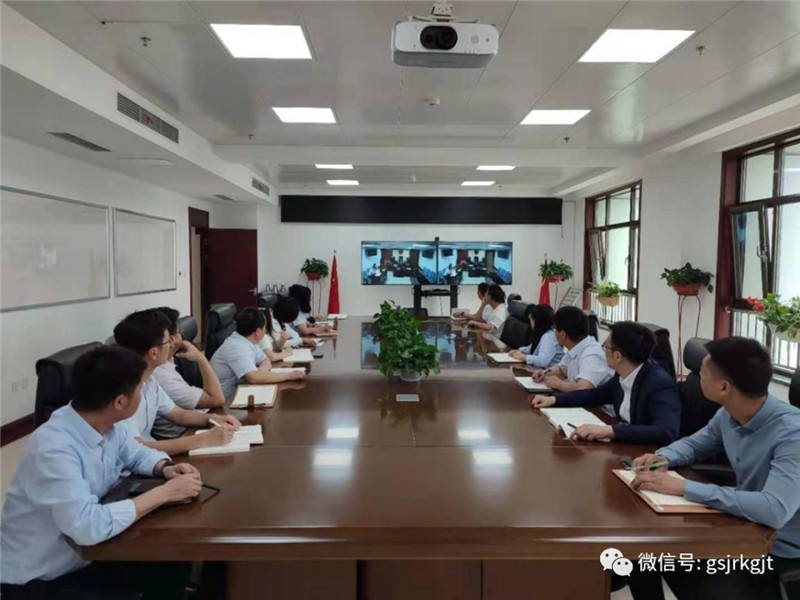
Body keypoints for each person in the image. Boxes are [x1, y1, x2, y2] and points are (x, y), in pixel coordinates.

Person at [0, 345, 202, 599]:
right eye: (140, 388)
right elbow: (87, 525)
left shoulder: (105, 422)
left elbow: (137, 453)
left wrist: (166, 467)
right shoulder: (53, 447)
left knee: (172, 563)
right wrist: (164, 494)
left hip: (88, 554)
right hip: (42, 577)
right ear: (120, 402)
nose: (143, 393)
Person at [628, 337, 800, 600]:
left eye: (702, 373)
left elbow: (774, 509)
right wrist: (663, 457)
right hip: (747, 532)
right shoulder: (729, 414)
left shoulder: (792, 434)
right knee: (640, 555)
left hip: (780, 554)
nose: (695, 378)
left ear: (724, 387)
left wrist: (685, 488)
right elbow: (696, 444)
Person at [114, 309, 241, 455]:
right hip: (137, 465)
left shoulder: (150, 381)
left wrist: (212, 419)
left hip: (154, 460)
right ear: (153, 353)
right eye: (168, 341)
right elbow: (136, 449)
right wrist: (204, 439)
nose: (173, 344)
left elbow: (179, 415)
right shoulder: (121, 395)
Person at [531, 321, 680, 445]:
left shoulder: (659, 384)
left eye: (605, 347)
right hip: (625, 446)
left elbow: (666, 432)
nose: (603, 351)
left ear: (618, 356)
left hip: (647, 455)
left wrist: (610, 431)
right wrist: (554, 399)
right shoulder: (621, 375)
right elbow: (594, 395)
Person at [150, 307, 226, 439]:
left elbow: (180, 415)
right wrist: (200, 358)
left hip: (194, 426)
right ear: (172, 340)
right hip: (182, 435)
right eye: (180, 332)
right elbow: (217, 399)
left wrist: (212, 419)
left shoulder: (164, 365)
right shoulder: (159, 376)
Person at [210, 306, 307, 398]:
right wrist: (289, 375)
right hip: (225, 400)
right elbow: (253, 378)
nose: (265, 330)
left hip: (240, 392)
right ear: (258, 332)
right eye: (264, 327)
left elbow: (265, 360)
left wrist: (260, 372)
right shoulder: (237, 347)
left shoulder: (248, 340)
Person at [527, 305, 611, 393]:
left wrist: (559, 384)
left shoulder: (592, 355)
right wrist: (544, 373)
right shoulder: (575, 347)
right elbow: (561, 369)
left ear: (562, 334)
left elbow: (582, 388)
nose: (553, 331)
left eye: (555, 328)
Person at [509, 304, 564, 369]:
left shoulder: (549, 337)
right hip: (542, 371)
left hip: (551, 372)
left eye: (531, 316)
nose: (530, 318)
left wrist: (524, 357)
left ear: (538, 320)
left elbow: (542, 361)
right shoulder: (542, 333)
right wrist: (519, 351)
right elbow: (533, 348)